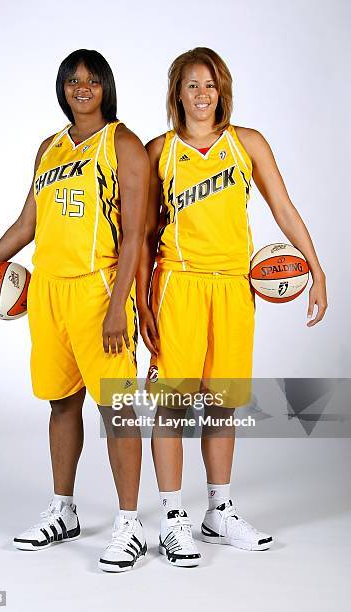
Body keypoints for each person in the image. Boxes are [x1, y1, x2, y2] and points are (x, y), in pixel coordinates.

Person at [137, 47, 327, 567]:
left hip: (233, 287)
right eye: (192, 85)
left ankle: (218, 509)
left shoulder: (247, 144)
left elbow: (282, 207)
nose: (202, 94)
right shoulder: (160, 151)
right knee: (173, 404)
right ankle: (173, 517)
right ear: (177, 92)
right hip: (177, 285)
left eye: (211, 85)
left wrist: (317, 269)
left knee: (222, 403)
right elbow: (143, 233)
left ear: (223, 92)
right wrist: (140, 302)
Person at [0, 49, 149, 572]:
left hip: (99, 290)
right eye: (73, 80)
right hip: (48, 291)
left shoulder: (124, 144)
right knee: (61, 402)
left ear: (106, 86)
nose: (82, 88)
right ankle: (63, 509)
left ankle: (130, 523)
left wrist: (120, 305)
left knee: (115, 409)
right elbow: (28, 223)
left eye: (91, 80)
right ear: (63, 87)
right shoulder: (48, 148)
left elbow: (136, 234)